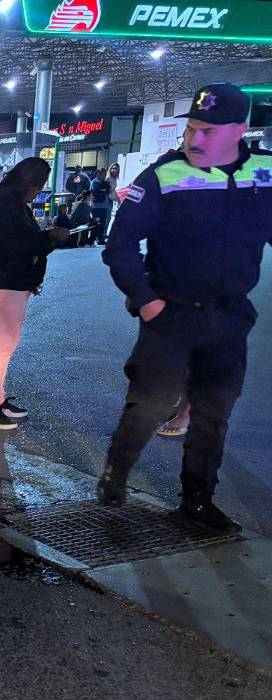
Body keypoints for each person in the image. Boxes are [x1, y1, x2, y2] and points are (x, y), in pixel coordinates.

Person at [98, 82, 272, 532]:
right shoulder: (164, 175)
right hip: (170, 315)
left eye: (208, 131)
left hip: (229, 317)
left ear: (240, 130)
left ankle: (197, 501)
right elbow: (119, 245)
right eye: (191, 128)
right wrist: (147, 301)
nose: (195, 140)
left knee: (213, 415)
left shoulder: (264, 174)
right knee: (150, 404)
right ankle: (116, 475)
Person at [0, 156, 70, 430]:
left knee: (4, 346)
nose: (38, 192)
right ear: (27, 183)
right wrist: (49, 237)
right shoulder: (3, 205)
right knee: (1, 346)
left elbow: (19, 244)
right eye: (38, 186)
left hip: (9, 282)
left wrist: (45, 243)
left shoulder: (8, 203)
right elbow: (8, 246)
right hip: (3, 283)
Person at [89, 168, 112, 244]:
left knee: (102, 223)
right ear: (98, 174)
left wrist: (103, 190)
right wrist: (103, 191)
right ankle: (93, 239)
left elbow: (109, 190)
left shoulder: (104, 182)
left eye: (105, 174)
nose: (104, 176)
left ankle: (100, 239)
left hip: (104, 206)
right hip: (97, 207)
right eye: (103, 174)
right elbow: (96, 193)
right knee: (97, 223)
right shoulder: (94, 182)